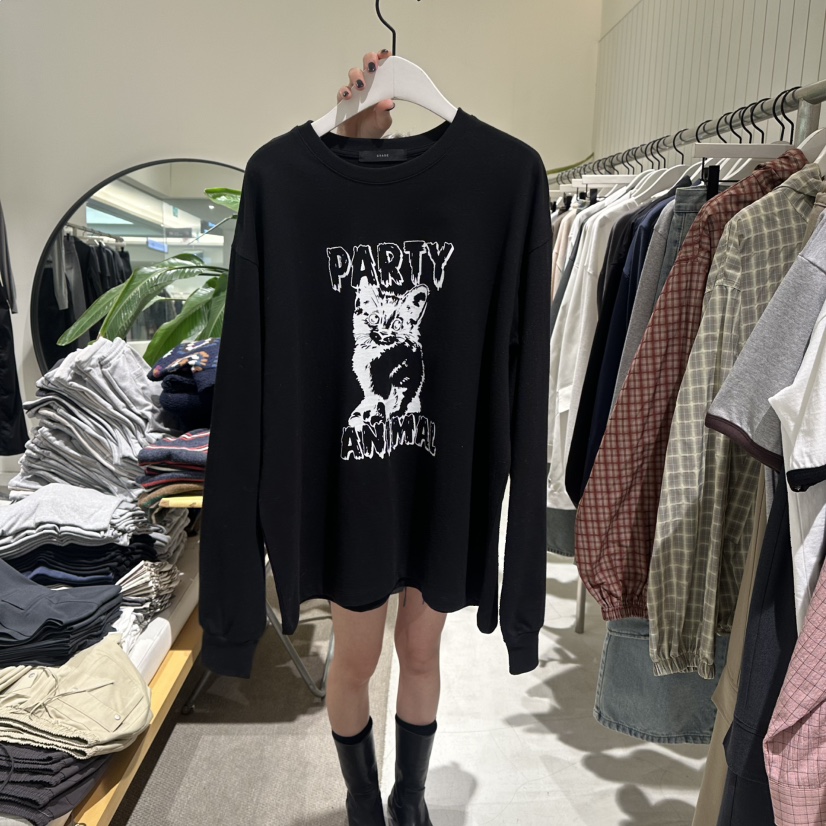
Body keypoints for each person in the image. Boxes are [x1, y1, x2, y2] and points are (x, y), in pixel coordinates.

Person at [326, 46, 445, 826]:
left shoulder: (483, 183)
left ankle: (409, 796)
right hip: (356, 477)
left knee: (422, 651)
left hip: (436, 466)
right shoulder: (315, 188)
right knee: (358, 655)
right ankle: (364, 797)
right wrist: (348, 140)